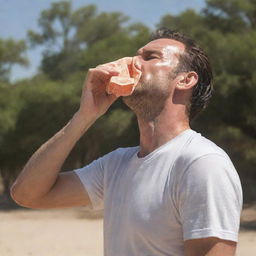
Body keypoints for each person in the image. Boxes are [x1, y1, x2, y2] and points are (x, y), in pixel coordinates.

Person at [10, 27, 243, 256]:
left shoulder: (202, 163)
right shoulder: (115, 165)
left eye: (150, 57)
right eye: (135, 55)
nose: (132, 62)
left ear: (185, 80)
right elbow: (27, 194)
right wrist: (84, 116)